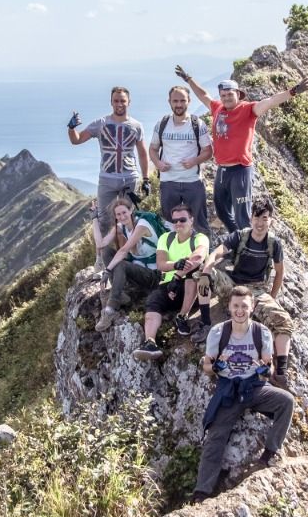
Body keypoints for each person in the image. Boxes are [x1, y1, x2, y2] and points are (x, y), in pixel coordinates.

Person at [173, 65, 308, 234]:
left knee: (242, 215)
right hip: (222, 170)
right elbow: (203, 95)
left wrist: (293, 91)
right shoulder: (217, 108)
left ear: (238, 94)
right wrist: (188, 79)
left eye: (230, 94)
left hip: (240, 171)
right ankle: (238, 241)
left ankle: (247, 250)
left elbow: (271, 101)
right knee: (222, 212)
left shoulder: (248, 109)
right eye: (223, 95)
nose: (227, 98)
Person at [191, 286, 294, 502]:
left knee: (286, 401)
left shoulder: (262, 332)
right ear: (229, 306)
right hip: (228, 389)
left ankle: (269, 453)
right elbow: (207, 367)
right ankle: (202, 492)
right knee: (215, 437)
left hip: (254, 386)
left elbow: (269, 367)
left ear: (252, 307)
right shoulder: (218, 332)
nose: (240, 310)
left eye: (244, 306)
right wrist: (217, 366)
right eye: (236, 306)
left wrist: (267, 369)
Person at [196, 198, 294, 389]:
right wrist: (207, 271)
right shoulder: (240, 236)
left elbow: (279, 272)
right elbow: (216, 253)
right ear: (250, 219)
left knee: (284, 322)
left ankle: (280, 373)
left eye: (264, 218)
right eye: (257, 218)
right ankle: (205, 323)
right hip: (233, 285)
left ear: (271, 220)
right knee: (201, 272)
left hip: (256, 290)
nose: (260, 223)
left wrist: (271, 298)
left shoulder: (274, 244)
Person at [131, 202, 209, 362]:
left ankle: (183, 316)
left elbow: (198, 257)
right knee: (153, 301)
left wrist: (177, 275)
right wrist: (175, 265)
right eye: (175, 221)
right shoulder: (166, 238)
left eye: (182, 220)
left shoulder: (200, 238)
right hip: (169, 286)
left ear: (191, 220)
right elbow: (161, 264)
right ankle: (150, 342)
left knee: (193, 274)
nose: (178, 224)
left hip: (192, 290)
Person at [67, 86, 150, 231]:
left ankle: (129, 251)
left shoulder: (137, 126)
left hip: (129, 178)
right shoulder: (100, 124)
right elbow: (77, 140)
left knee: (128, 218)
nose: (119, 104)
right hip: (107, 179)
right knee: (104, 220)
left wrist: (146, 179)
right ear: (111, 102)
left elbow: (143, 153)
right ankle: (107, 253)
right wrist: (71, 128)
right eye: (116, 101)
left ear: (129, 102)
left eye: (122, 101)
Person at [149, 85, 213, 237]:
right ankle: (173, 256)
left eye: (182, 100)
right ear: (169, 102)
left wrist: (194, 161)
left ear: (189, 101)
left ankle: (204, 257)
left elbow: (209, 151)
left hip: (193, 181)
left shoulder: (197, 124)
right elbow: (152, 149)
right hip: (168, 182)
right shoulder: (162, 124)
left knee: (199, 222)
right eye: (175, 101)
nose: (178, 104)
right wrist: (158, 164)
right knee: (170, 223)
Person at [91, 197, 161, 332]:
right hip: (138, 272)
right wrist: (94, 219)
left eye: (124, 212)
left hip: (153, 275)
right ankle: (121, 294)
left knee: (121, 263)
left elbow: (124, 251)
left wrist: (108, 270)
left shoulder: (142, 225)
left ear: (131, 210)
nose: (122, 217)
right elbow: (100, 244)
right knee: (106, 251)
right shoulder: (121, 227)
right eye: (118, 214)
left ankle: (111, 308)